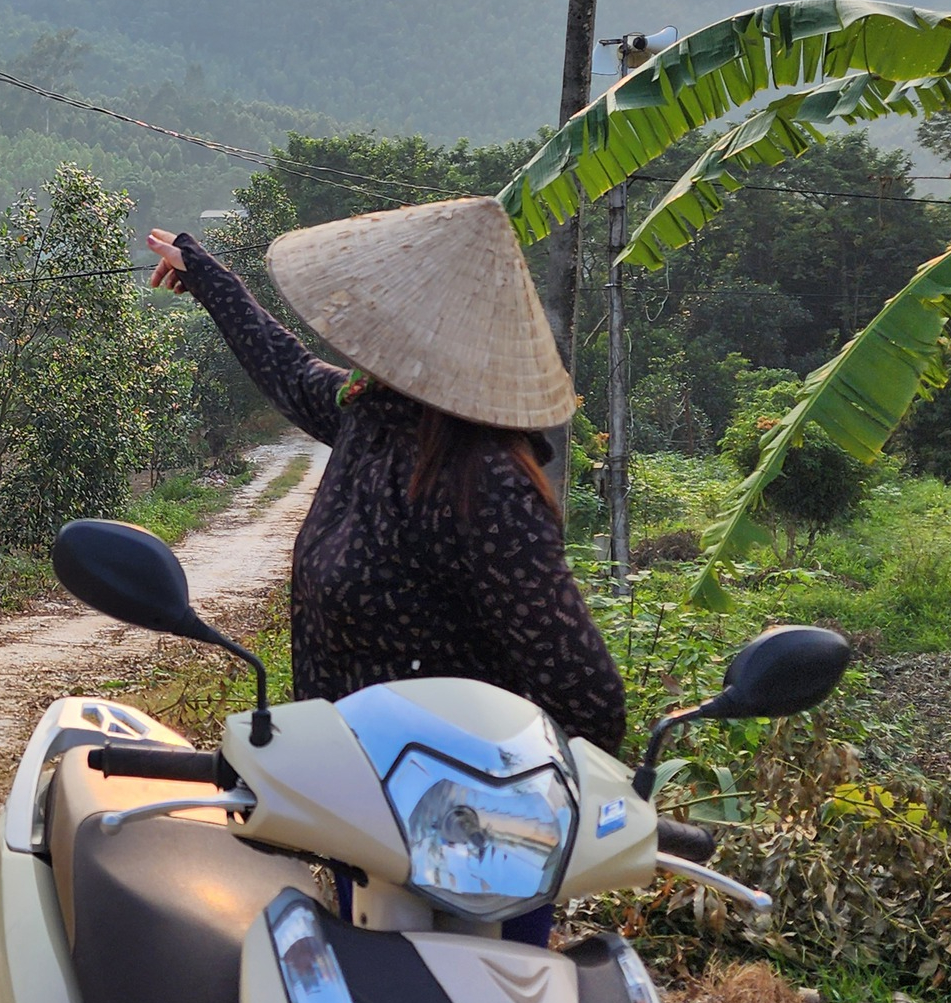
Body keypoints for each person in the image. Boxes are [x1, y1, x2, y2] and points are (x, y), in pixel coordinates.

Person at [149, 198, 625, 942]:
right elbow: (289, 369)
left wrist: (537, 814)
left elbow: (583, 690)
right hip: (360, 817)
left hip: (466, 846)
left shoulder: (487, 484)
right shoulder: (374, 418)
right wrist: (209, 278)